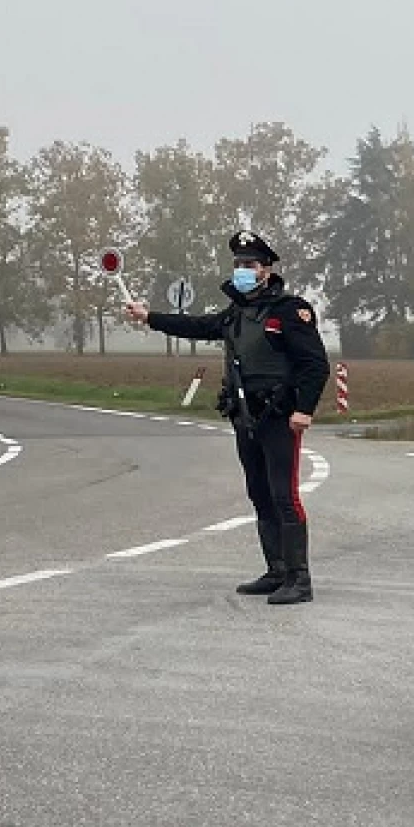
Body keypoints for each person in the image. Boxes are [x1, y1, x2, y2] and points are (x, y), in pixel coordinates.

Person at [123, 231, 330, 605]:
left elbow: (315, 364)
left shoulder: (289, 310)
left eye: (249, 265)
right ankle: (276, 570)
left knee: (285, 496)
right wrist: (149, 317)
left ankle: (300, 579)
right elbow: (197, 326)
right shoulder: (236, 313)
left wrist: (305, 410)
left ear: (266, 270)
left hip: (280, 416)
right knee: (259, 494)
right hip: (245, 416)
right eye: (238, 264)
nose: (242, 271)